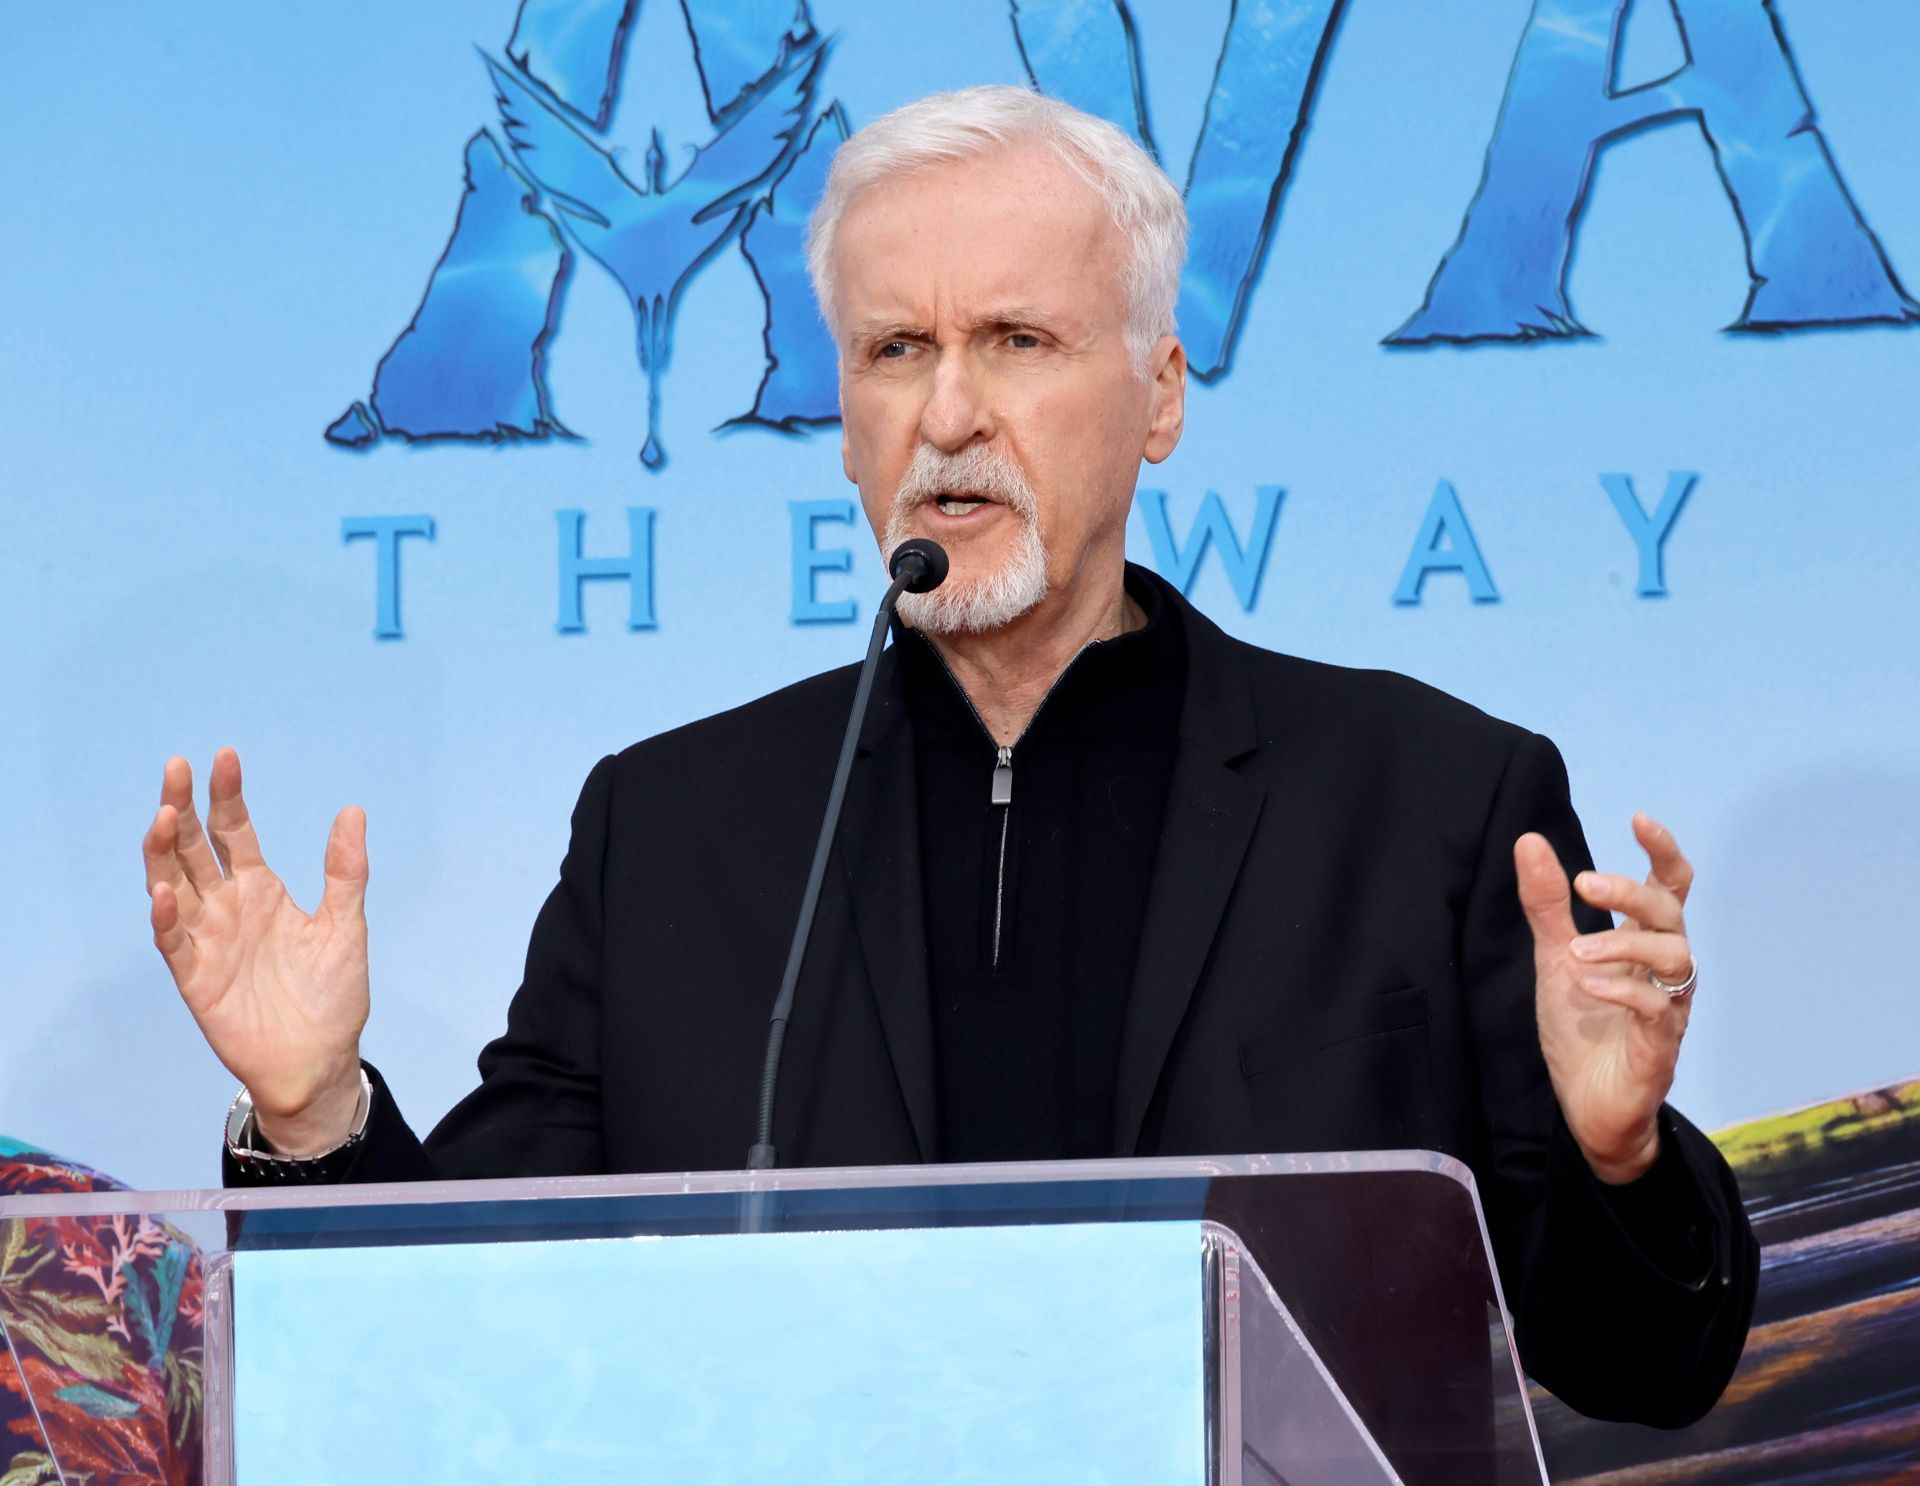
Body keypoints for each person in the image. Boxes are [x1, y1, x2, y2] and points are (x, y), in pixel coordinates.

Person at [141, 87, 1755, 1428]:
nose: (949, 412)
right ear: (841, 417)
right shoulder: (674, 829)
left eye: (1020, 340)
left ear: (1160, 393)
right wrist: (310, 1108)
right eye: (895, 351)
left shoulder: (1427, 799)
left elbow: (1646, 1367)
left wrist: (1615, 1155)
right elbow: (469, 1325)